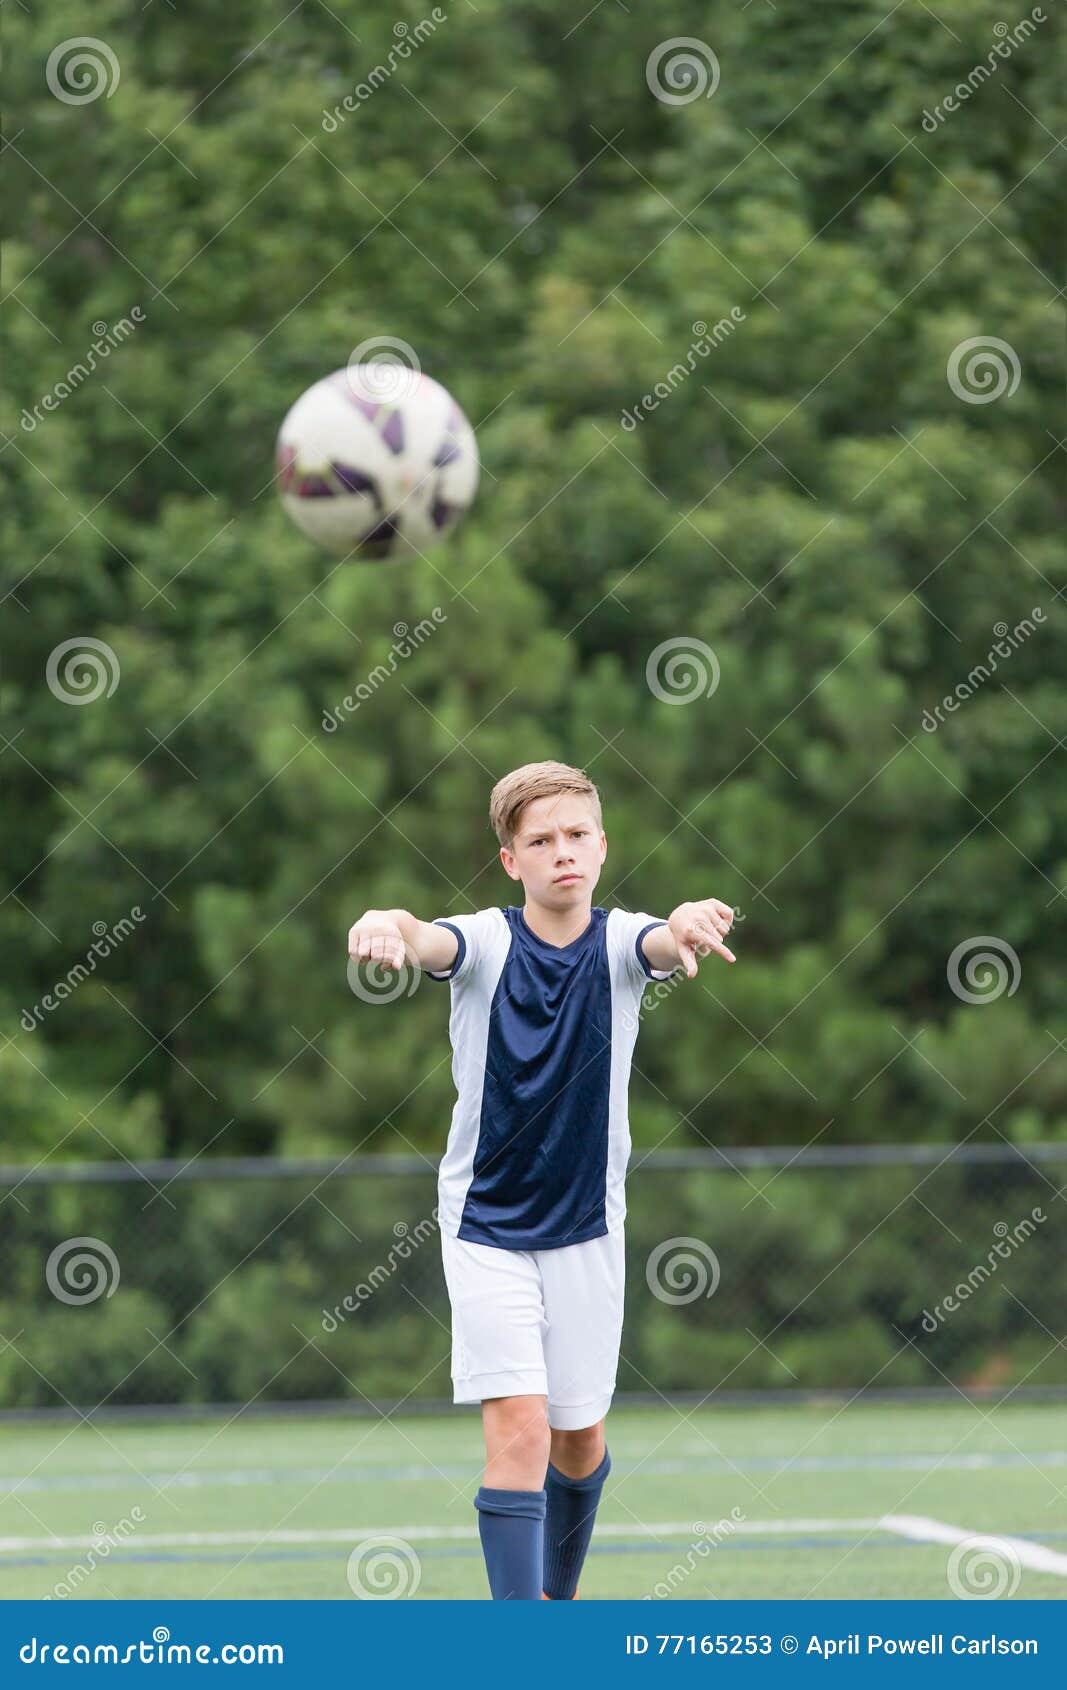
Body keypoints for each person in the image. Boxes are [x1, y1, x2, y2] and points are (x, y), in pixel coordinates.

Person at [347, 760, 735, 1599]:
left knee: (576, 1437)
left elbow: (664, 939)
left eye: (576, 835)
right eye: (540, 840)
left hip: (588, 1227)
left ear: (602, 847)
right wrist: (383, 920)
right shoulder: (483, 941)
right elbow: (420, 935)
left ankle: (556, 1614)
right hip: (484, 1226)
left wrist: (688, 920)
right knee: (519, 1428)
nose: (562, 852)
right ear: (510, 861)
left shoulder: (624, 940)